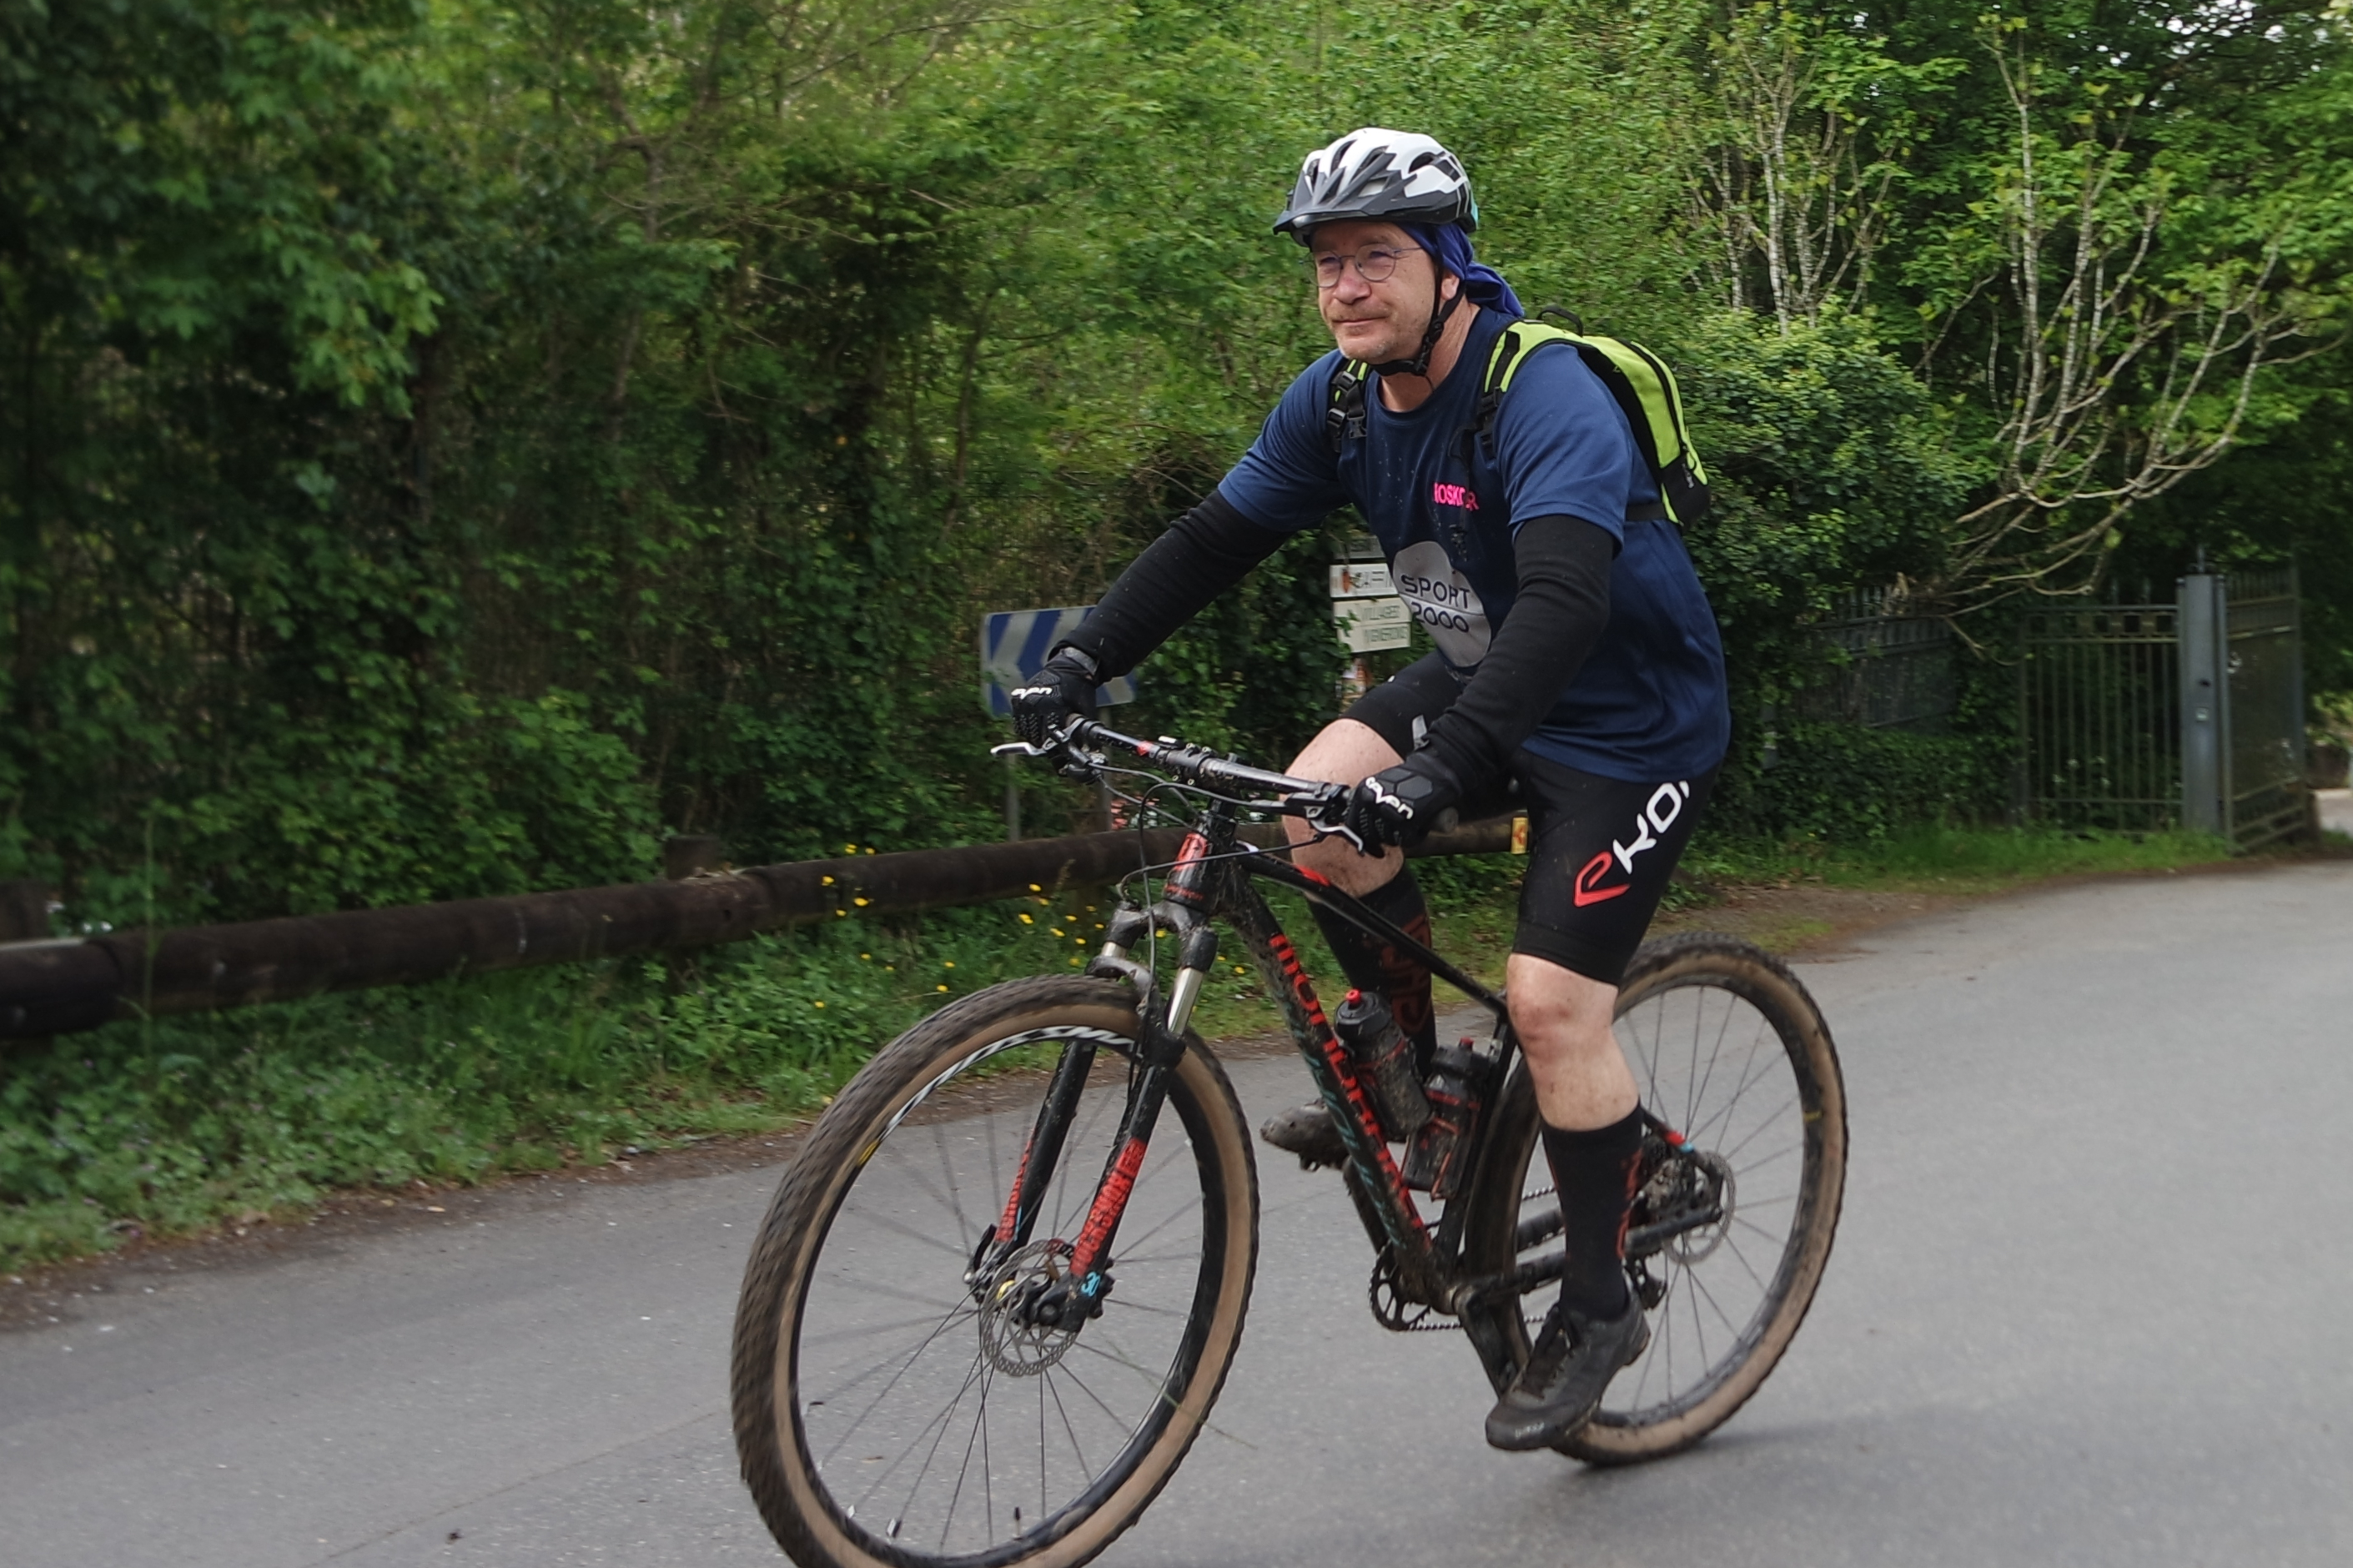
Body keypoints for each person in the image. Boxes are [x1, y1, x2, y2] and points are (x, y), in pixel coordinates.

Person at [1008, 128, 1730, 1451]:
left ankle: (1598, 1301)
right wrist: (1078, 663)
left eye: (1375, 257)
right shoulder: (1338, 402)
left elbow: (1564, 599)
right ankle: (1417, 1083)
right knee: (1311, 806)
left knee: (1551, 1006)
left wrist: (1442, 769)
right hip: (1478, 676)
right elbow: (1210, 542)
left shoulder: (1541, 391)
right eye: (1326, 263)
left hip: (1627, 721)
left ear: (1448, 265)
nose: (1345, 286)